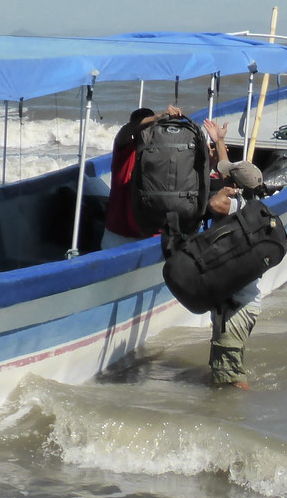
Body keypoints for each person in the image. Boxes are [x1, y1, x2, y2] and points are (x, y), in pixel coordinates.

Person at [100, 107, 230, 248]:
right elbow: (126, 131)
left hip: (151, 236)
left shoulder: (161, 152)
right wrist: (158, 117)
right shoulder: (125, 150)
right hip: (119, 235)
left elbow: (181, 181)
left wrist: (208, 163)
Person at [205, 159, 265, 390]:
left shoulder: (238, 209)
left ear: (234, 186)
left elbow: (215, 203)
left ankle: (243, 414)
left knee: (232, 379)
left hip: (235, 310)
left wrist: (222, 191)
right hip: (245, 305)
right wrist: (220, 141)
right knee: (224, 370)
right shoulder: (256, 207)